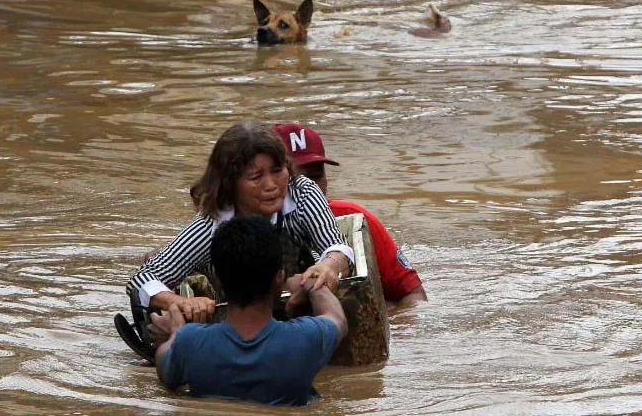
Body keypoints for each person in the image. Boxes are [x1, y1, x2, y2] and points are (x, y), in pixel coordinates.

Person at [121, 121, 354, 359]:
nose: (271, 185)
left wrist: (328, 266)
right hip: (241, 316)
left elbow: (338, 247)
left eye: (277, 171)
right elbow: (142, 280)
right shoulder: (211, 224)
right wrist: (178, 302)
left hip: (298, 297)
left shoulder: (302, 193)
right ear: (230, 184)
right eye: (256, 177)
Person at [151, 215, 347, 405]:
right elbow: (337, 320)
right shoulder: (306, 338)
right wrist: (312, 283)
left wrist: (173, 333)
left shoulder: (188, 343)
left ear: (218, 278)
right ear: (279, 278)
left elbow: (165, 371)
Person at [273, 123, 428, 306]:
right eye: (295, 178)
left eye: (316, 176)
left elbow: (414, 295)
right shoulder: (239, 224)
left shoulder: (357, 219)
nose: (308, 187)